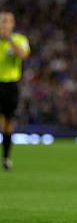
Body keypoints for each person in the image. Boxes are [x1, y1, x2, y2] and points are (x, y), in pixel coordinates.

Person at [0, 11, 30, 170]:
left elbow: (23, 55)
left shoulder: (19, 39)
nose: (4, 24)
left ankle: (6, 157)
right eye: (2, 21)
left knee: (8, 123)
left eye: (7, 21)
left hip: (11, 86)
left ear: (13, 24)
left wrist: (9, 39)